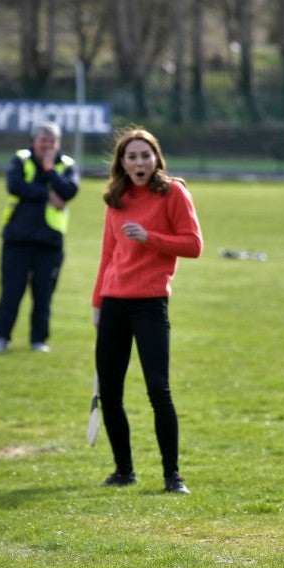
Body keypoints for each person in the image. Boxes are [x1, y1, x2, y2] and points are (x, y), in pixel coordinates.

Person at [92, 127, 203, 494]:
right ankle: (124, 470)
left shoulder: (173, 192)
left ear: (156, 158)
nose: (139, 162)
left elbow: (193, 245)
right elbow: (108, 255)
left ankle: (173, 476)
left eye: (145, 155)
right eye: (131, 156)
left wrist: (150, 238)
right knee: (109, 392)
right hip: (113, 303)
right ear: (121, 162)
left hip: (150, 304)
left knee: (159, 390)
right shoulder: (116, 198)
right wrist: (97, 303)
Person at [0, 121, 79, 352]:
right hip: (17, 239)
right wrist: (48, 194)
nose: (48, 145)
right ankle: (1, 337)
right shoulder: (20, 159)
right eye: (43, 140)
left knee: (44, 295)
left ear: (58, 143)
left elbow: (70, 191)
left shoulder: (66, 165)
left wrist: (50, 170)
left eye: (53, 141)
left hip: (50, 242)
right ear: (33, 141)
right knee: (11, 291)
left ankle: (38, 340)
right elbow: (15, 185)